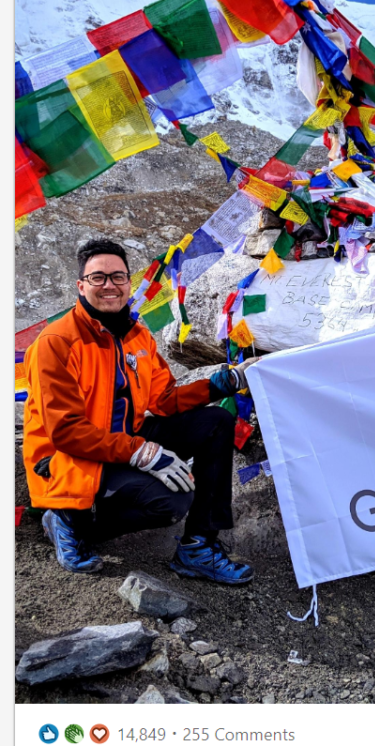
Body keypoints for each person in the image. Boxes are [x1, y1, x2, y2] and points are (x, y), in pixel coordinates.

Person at [23, 238, 255, 585]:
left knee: (217, 422)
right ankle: (70, 522)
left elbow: (163, 399)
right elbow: (67, 431)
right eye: (98, 277)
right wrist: (142, 453)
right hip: (69, 457)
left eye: (117, 277)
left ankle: (198, 546)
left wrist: (224, 382)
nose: (109, 285)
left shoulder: (137, 337)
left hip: (123, 441)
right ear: (81, 285)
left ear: (128, 282)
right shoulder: (57, 342)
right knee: (173, 501)